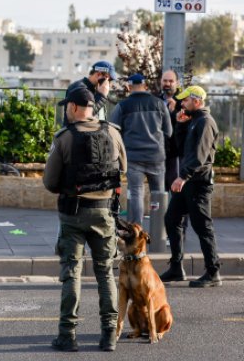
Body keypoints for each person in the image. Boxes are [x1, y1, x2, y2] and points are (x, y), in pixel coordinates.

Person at [43, 87, 127, 352]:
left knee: (72, 274)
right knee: (105, 274)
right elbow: (122, 169)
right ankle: (109, 336)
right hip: (104, 213)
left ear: (76, 108)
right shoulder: (113, 132)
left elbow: (49, 181)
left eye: (67, 106)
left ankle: (67, 336)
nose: (66, 110)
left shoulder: (65, 137)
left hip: (73, 214)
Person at [160, 86, 222, 288]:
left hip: (198, 184)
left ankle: (213, 271)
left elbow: (199, 156)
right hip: (188, 182)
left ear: (197, 101)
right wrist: (179, 125)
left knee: (202, 226)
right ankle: (177, 267)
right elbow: (180, 149)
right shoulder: (194, 121)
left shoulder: (205, 122)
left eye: (185, 101)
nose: (182, 104)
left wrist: (183, 177)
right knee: (171, 219)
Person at [109, 73, 172, 226]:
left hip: (133, 157)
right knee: (158, 194)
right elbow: (168, 132)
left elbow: (112, 132)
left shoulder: (122, 106)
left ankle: (136, 232)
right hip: (156, 156)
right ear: (145, 86)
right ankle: (160, 232)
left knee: (136, 193)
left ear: (129, 87)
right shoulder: (159, 104)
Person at [159, 70, 181, 190]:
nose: (167, 83)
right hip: (158, 150)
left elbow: (185, 125)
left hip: (175, 152)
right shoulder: (155, 100)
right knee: (159, 187)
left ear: (177, 83)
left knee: (174, 185)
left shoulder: (183, 102)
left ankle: (174, 209)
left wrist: (174, 111)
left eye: (171, 81)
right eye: (165, 80)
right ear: (160, 82)